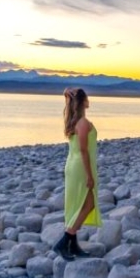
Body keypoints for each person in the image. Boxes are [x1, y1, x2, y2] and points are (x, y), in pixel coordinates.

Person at [53, 87, 102, 260]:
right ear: (82, 102)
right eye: (87, 97)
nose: (89, 100)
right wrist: (89, 175)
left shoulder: (76, 122)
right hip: (80, 167)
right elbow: (83, 150)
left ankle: (73, 246)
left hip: (74, 165)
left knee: (80, 204)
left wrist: (68, 92)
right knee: (88, 205)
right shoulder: (82, 123)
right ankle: (64, 241)